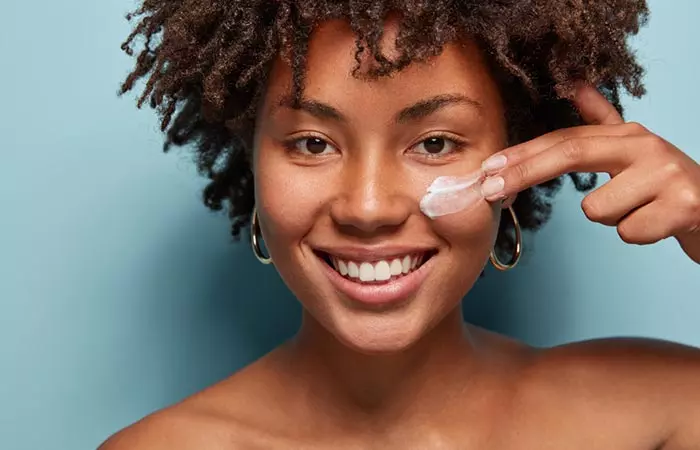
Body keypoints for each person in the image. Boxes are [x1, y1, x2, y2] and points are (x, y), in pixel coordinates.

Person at [101, 1, 700, 448]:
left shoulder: (667, 411)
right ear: (250, 157)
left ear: (522, 156)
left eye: (435, 142)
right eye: (312, 143)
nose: (368, 208)